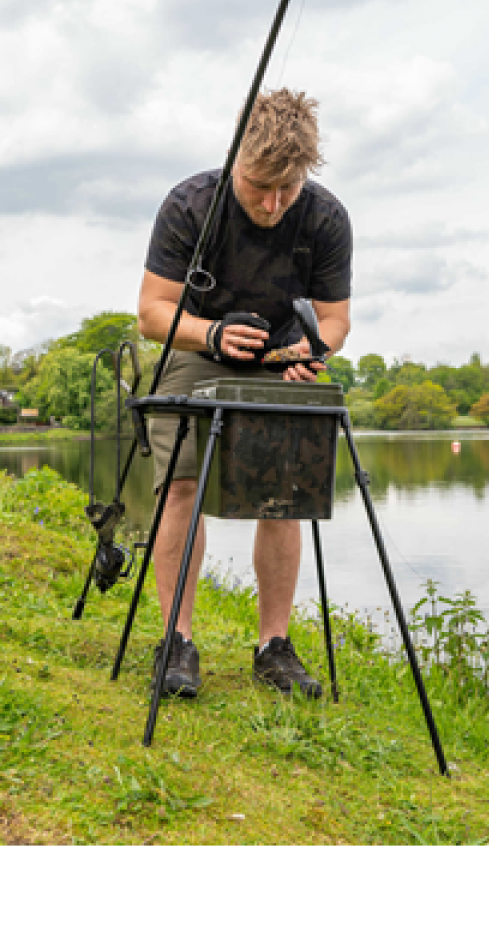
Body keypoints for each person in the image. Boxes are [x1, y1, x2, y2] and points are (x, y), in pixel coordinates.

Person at [137, 89, 352, 700]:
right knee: (181, 485)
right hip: (193, 346)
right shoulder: (189, 204)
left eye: (287, 188)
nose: (273, 202)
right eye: (260, 185)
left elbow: (335, 320)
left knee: (283, 497)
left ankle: (273, 647)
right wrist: (210, 332)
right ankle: (176, 640)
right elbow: (151, 313)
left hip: (282, 361)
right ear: (235, 159)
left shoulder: (326, 217)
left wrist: (313, 351)